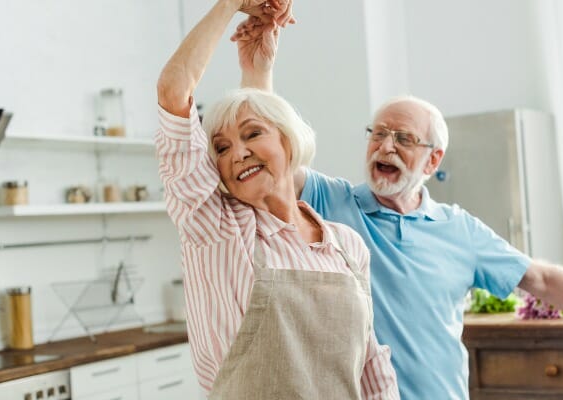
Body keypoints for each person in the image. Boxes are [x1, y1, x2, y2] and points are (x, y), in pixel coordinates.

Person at [231, 14, 563, 400]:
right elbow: (271, 163)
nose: (385, 146)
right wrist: (258, 70)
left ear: (433, 159)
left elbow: (542, 278)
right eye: (378, 133)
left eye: (404, 138)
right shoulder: (331, 201)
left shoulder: (458, 229)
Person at [155, 1, 400, 398]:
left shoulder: (346, 246)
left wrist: (257, 70)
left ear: (289, 140)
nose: (236, 153)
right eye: (220, 148)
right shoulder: (218, 229)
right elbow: (173, 91)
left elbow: (370, 363)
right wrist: (231, 3)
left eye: (252, 135)